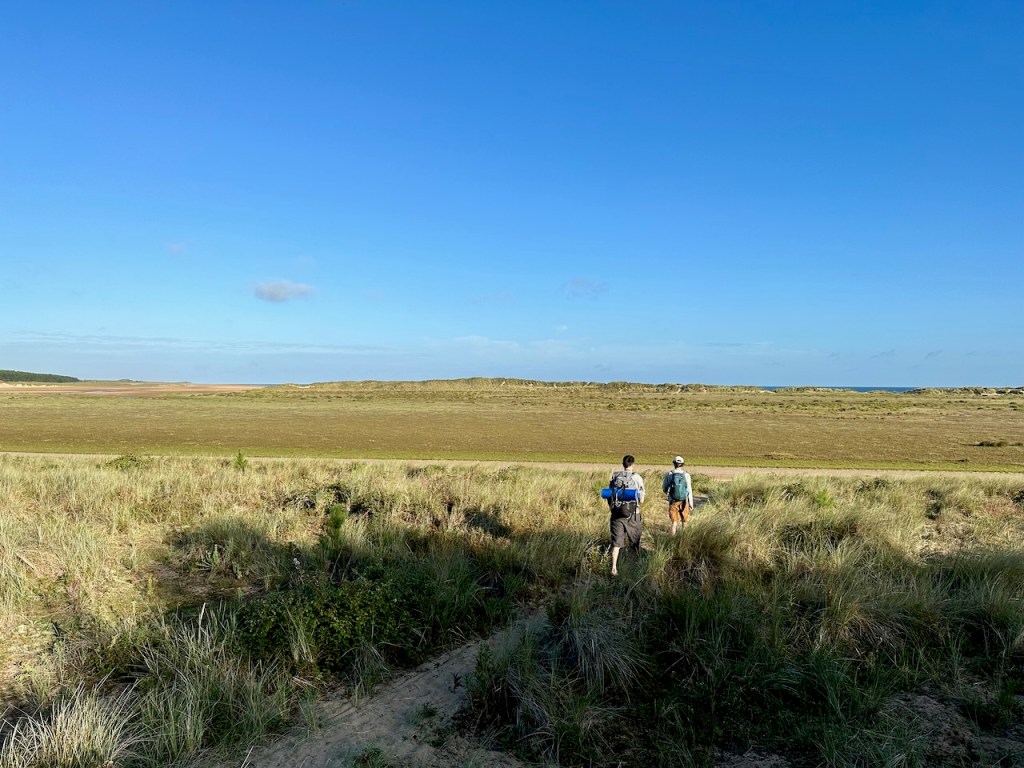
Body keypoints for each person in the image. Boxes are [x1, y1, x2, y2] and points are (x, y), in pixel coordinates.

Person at [607, 454, 645, 576]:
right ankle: (634, 568)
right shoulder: (637, 478)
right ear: (632, 464)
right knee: (634, 542)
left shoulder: (615, 477)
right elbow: (641, 500)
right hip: (633, 514)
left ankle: (613, 568)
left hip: (616, 514)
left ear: (623, 464)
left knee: (616, 543)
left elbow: (609, 497)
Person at [662, 455, 693, 536]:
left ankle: (672, 540)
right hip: (684, 500)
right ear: (682, 464)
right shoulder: (686, 475)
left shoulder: (669, 474)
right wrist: (691, 504)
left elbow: (664, 488)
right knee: (684, 521)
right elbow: (689, 490)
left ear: (674, 463)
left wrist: (669, 495)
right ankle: (684, 539)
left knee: (674, 522)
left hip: (673, 500)